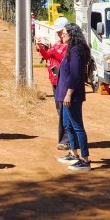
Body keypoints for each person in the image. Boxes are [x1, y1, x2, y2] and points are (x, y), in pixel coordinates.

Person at [55, 23, 92, 171]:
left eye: (64, 33)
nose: (61, 35)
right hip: (65, 95)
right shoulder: (71, 50)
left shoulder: (76, 51)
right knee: (67, 125)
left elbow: (76, 75)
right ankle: (73, 153)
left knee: (77, 127)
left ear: (72, 34)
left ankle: (85, 159)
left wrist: (69, 94)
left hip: (72, 95)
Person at [36, 16, 70, 150]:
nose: (59, 34)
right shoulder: (57, 45)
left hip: (63, 82)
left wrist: (53, 51)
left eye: (61, 31)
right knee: (59, 110)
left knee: (64, 111)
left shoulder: (68, 46)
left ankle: (66, 140)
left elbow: (61, 57)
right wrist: (40, 46)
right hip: (55, 80)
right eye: (58, 32)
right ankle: (67, 138)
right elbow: (47, 55)